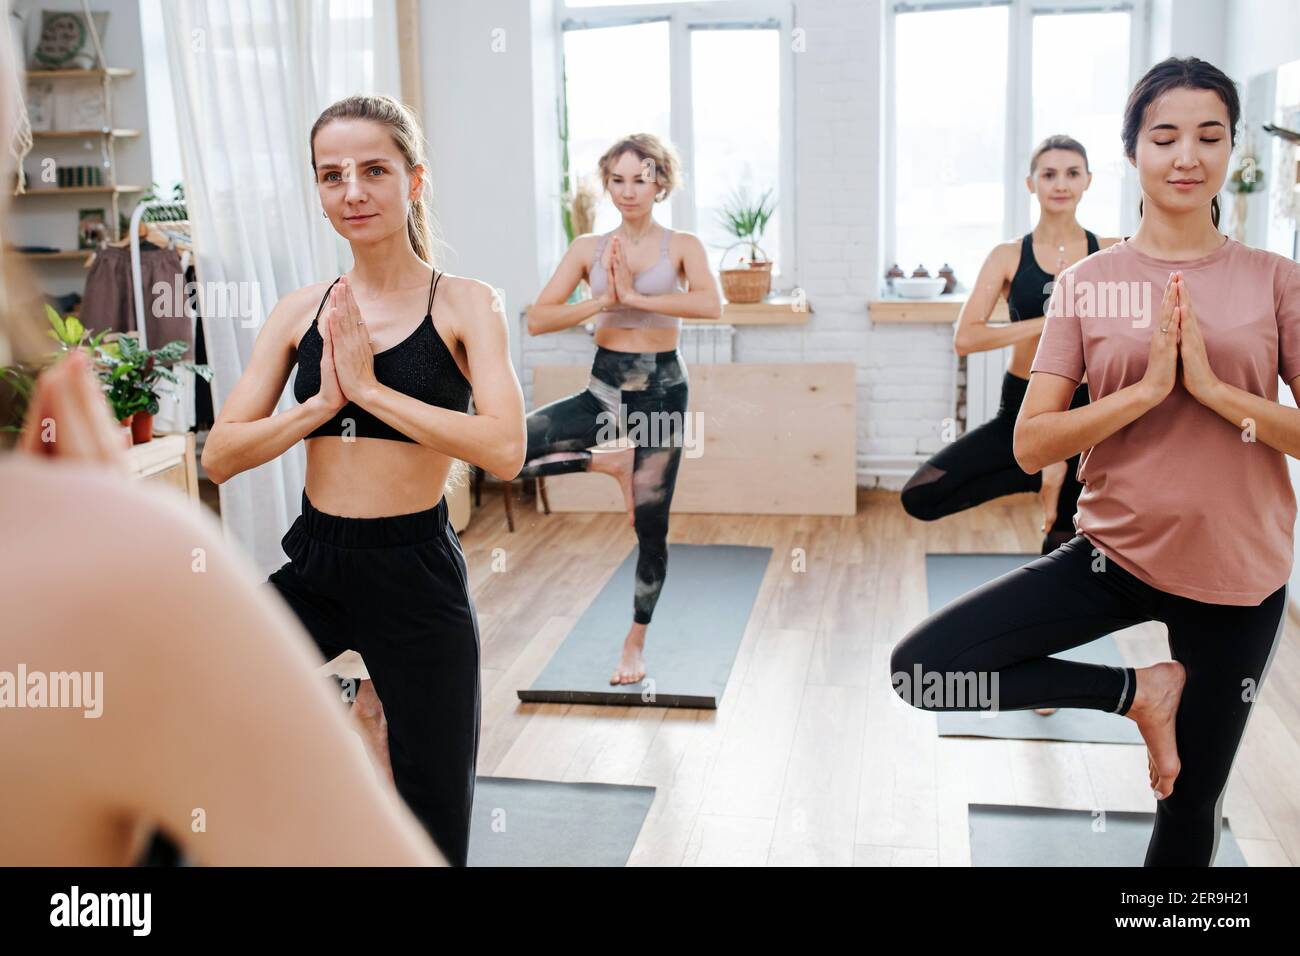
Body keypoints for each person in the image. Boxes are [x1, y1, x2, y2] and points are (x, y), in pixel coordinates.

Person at [891, 56, 1300, 866]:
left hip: (1237, 573)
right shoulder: (1087, 283)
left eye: (1210, 136)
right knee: (925, 672)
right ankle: (1136, 693)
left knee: (1188, 813)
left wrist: (1216, 393)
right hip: (1116, 555)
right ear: (1134, 151)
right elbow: (1031, 443)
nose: (1188, 156)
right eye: (1166, 136)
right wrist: (1147, 392)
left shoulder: (1274, 281)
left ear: (1229, 149)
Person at [201, 94, 526, 866]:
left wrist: (373, 391)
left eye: (374, 170)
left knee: (437, 814)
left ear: (415, 181)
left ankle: (374, 729)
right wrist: (321, 403)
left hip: (415, 573)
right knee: (209, 697)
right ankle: (357, 723)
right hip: (318, 562)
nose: (352, 191)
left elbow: (505, 450)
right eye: (331, 175)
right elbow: (220, 455)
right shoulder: (296, 312)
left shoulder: (466, 303)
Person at [519, 134, 721, 685]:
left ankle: (634, 644)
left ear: (661, 182)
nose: (629, 190)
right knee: (506, 453)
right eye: (618, 179)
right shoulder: (588, 248)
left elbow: (710, 302)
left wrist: (637, 300)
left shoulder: (681, 245)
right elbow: (537, 318)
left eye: (641, 178)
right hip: (602, 392)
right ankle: (607, 462)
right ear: (606, 183)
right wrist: (604, 301)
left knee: (651, 528)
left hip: (661, 397)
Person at [902, 135, 1119, 557]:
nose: (1061, 184)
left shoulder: (1109, 251)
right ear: (1030, 183)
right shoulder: (1008, 255)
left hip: (1083, 414)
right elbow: (966, 338)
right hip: (1020, 407)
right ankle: (1034, 471)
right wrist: (1047, 322)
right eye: (1049, 174)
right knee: (921, 495)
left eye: (1073, 173)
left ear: (1088, 181)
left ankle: (1051, 472)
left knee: (1062, 547)